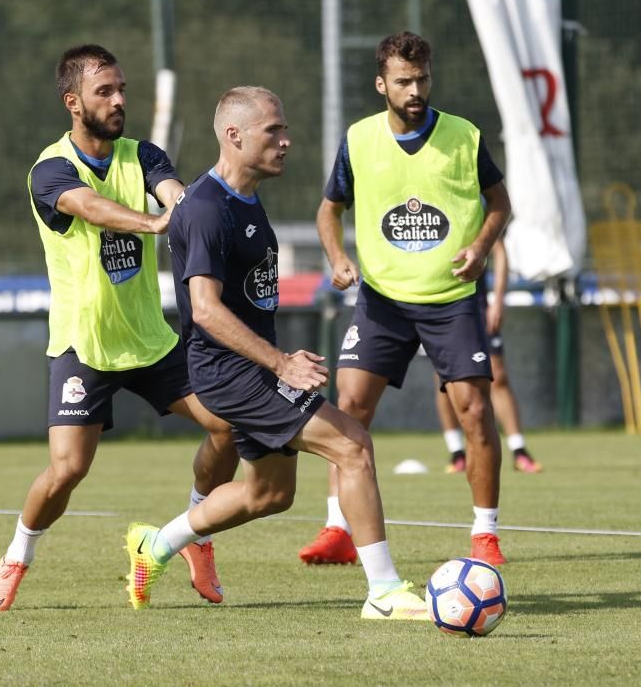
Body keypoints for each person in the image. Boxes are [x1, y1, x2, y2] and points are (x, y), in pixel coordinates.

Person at [123, 86, 428, 620]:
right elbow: (207, 310)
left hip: (245, 367)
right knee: (353, 445)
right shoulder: (205, 209)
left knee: (269, 494)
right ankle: (384, 592)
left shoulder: (244, 198)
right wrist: (280, 362)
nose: (286, 141)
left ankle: (155, 546)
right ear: (233, 135)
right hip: (229, 370)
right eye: (273, 131)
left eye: (285, 129)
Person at [0, 44, 237, 613]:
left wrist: (189, 207)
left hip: (150, 339)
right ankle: (18, 554)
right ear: (74, 103)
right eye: (105, 91)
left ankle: (194, 534)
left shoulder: (143, 154)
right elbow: (88, 206)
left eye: (122, 88)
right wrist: (154, 221)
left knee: (227, 428)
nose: (119, 99)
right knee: (68, 469)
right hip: (84, 344)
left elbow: (176, 195)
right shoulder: (49, 169)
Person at [298, 32, 510, 568]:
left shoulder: (463, 136)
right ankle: (338, 529)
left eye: (422, 80)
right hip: (383, 299)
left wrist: (482, 247)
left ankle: (485, 535)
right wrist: (337, 258)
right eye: (403, 81)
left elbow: (499, 203)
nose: (415, 90)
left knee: (476, 409)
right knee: (347, 408)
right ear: (381, 84)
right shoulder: (359, 139)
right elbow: (329, 210)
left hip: (451, 297)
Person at [438, 238, 543, 475]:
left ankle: (519, 450)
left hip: (475, 306)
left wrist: (498, 300)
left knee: (498, 375)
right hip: (433, 307)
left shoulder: (477, 203)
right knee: (443, 380)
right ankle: (456, 452)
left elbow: (500, 250)